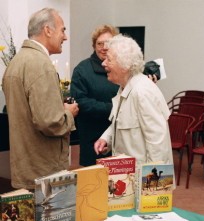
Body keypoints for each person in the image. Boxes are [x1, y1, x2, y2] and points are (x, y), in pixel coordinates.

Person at [2, 8, 79, 190]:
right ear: (47, 30)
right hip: (45, 174)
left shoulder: (17, 61)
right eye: (63, 30)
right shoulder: (40, 65)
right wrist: (69, 114)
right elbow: (49, 122)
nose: (65, 37)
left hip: (26, 169)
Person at [94, 34, 173, 165]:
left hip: (143, 179)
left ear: (124, 65)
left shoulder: (142, 92)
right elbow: (120, 122)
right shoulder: (124, 87)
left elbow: (158, 144)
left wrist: (153, 183)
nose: (103, 63)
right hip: (128, 175)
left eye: (108, 59)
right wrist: (106, 139)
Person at [70, 25, 119, 166]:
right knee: (94, 182)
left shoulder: (121, 68)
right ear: (94, 46)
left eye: (108, 43)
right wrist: (113, 108)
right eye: (99, 43)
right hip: (93, 135)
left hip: (118, 135)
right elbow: (80, 101)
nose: (104, 47)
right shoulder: (82, 70)